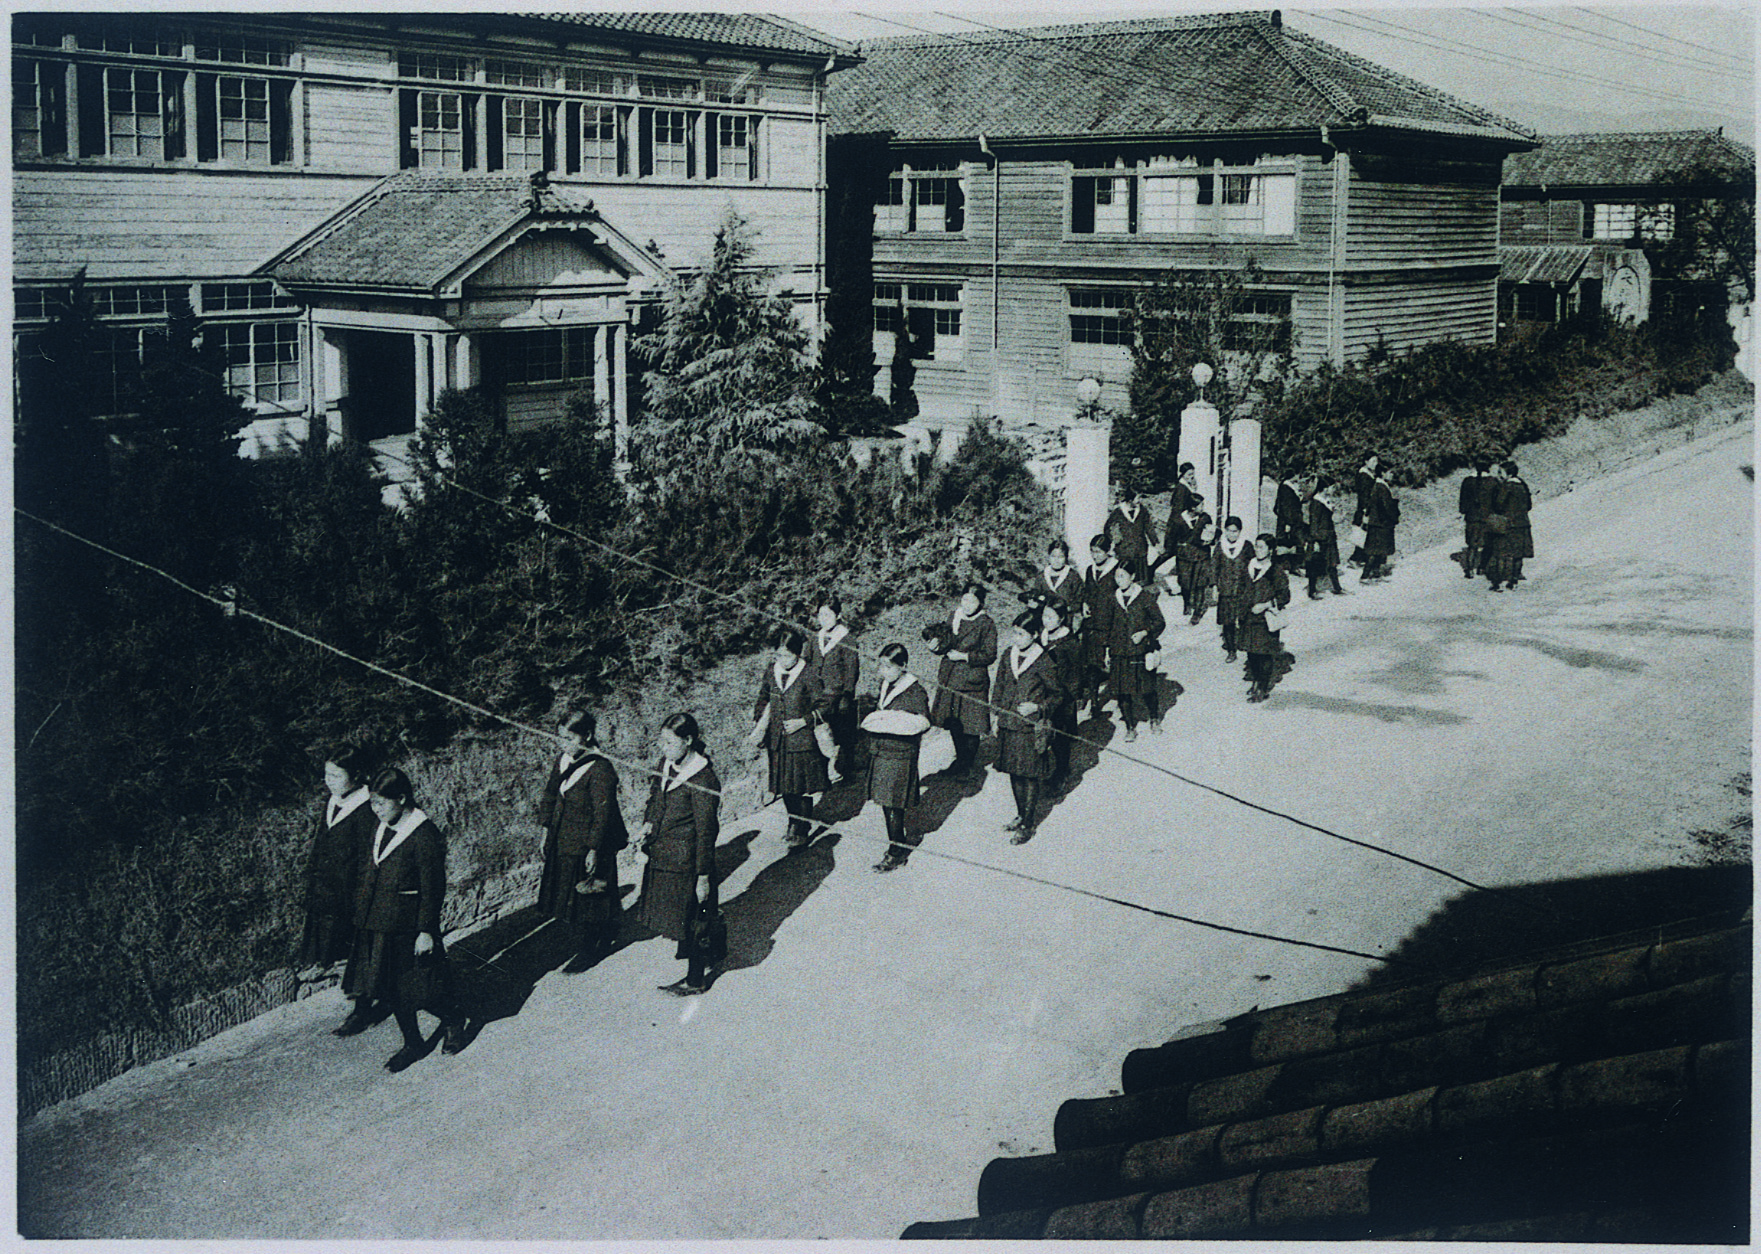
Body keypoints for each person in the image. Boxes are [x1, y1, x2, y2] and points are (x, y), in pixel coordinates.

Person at [343, 767, 465, 1071]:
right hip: (379, 923)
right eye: (372, 803)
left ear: (401, 798)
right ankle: (413, 1042)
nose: (376, 809)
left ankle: (453, 1019)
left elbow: (432, 888)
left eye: (381, 803)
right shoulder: (382, 825)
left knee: (425, 987)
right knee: (391, 988)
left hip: (410, 927)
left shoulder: (423, 835)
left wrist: (426, 930)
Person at [636, 713, 722, 996]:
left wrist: (703, 875)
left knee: (695, 920)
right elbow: (655, 798)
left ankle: (695, 980)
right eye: (661, 741)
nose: (663, 748)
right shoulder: (666, 764)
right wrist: (649, 822)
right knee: (682, 917)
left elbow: (707, 832)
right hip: (666, 857)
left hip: (689, 862)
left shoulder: (704, 778)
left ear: (688, 740)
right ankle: (712, 950)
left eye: (670, 742)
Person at [536, 710, 627, 970]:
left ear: (586, 736)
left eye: (569, 737)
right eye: (560, 737)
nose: (563, 743)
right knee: (575, 895)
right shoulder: (563, 761)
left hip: (588, 843)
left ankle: (593, 947)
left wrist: (593, 848)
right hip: (564, 839)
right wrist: (545, 830)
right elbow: (550, 795)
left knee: (591, 897)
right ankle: (599, 930)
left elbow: (603, 814)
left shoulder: (600, 768)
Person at [304, 745, 378, 1033]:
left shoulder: (368, 808)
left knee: (361, 952)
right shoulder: (333, 801)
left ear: (356, 775)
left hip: (353, 896)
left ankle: (362, 1009)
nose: (329, 781)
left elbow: (368, 859)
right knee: (344, 952)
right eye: (326, 774)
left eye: (336, 775)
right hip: (330, 895)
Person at [749, 625, 829, 849]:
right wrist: (760, 721)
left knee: (800, 787)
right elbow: (763, 698)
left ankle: (802, 829)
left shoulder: (809, 673)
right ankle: (793, 822)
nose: (781, 660)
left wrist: (803, 721)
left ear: (797, 653)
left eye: (786, 655)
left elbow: (824, 705)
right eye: (778, 655)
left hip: (801, 741)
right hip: (778, 741)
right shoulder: (771, 671)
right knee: (785, 786)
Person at [863, 643, 933, 873]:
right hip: (883, 751)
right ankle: (898, 841)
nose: (883, 671)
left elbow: (924, 721)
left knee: (893, 803)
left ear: (903, 666)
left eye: (888, 666)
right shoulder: (886, 685)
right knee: (886, 802)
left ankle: (896, 852)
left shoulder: (915, 691)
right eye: (881, 666)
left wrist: (897, 721)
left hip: (900, 754)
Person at [991, 610, 1059, 843]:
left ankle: (1028, 824)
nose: (1016, 638)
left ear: (1035, 634)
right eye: (1014, 633)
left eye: (1021, 634)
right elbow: (999, 685)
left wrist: (1037, 708)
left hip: (1030, 728)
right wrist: (996, 714)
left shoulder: (1044, 660)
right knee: (1014, 771)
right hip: (1008, 723)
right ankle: (1021, 814)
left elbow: (1057, 695)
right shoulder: (1008, 655)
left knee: (1029, 774)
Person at [930, 582, 998, 777]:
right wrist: (935, 647)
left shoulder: (986, 623)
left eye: (972, 601)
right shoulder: (955, 616)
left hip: (971, 681)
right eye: (964, 599)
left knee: (971, 726)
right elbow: (945, 642)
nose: (967, 605)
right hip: (950, 678)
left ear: (981, 603)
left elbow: (990, 655)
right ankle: (960, 760)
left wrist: (964, 656)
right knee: (954, 723)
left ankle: (966, 764)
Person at [1107, 562, 1166, 741]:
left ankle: (1154, 718)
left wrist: (1144, 632)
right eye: (1116, 576)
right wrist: (1107, 650)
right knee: (1122, 691)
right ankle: (1130, 727)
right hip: (1119, 652)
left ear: (1132, 577)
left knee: (1147, 688)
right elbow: (1106, 626)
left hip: (1140, 651)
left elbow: (1159, 622)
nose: (1119, 580)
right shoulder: (1112, 598)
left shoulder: (1145, 597)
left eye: (1123, 576)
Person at [807, 594, 860, 782]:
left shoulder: (847, 639)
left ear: (838, 615)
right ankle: (823, 772)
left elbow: (852, 671)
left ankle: (846, 771)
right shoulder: (815, 638)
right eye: (820, 615)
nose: (824, 619)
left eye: (828, 615)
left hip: (837, 694)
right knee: (820, 731)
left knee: (843, 733)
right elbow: (807, 662)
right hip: (819, 694)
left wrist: (847, 695)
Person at [1242, 534, 1292, 703]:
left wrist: (1265, 605)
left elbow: (1285, 596)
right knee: (1251, 653)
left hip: (1265, 618)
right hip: (1249, 617)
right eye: (1256, 546)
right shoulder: (1249, 566)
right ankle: (1256, 681)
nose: (1258, 550)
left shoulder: (1275, 571)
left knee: (1263, 654)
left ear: (1270, 550)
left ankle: (1262, 688)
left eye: (1261, 547)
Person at [1079, 535, 1119, 720]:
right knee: (1092, 664)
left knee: (1113, 662)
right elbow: (1087, 592)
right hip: (1092, 625)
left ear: (1108, 551)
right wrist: (1084, 603)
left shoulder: (1117, 569)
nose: (1095, 556)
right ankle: (1094, 702)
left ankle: (1120, 697)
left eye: (1098, 552)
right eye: (1092, 552)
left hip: (1111, 624)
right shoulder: (1090, 570)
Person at [1484, 458, 1533, 591]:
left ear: (1509, 473)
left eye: (1501, 472)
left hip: (1507, 524)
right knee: (1518, 554)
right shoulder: (1523, 485)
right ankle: (1513, 581)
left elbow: (1498, 504)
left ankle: (1498, 582)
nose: (1499, 475)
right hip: (1522, 523)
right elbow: (1529, 505)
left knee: (1501, 553)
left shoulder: (1506, 486)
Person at [1212, 515, 1253, 663]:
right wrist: (1215, 587)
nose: (1232, 534)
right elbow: (1214, 568)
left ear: (1240, 531)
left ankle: (1245, 645)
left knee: (1244, 619)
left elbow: (1253, 565)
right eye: (1229, 531)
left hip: (1243, 589)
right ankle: (1231, 650)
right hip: (1226, 590)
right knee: (1227, 622)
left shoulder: (1246, 546)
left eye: (1235, 531)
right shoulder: (1220, 546)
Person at [1303, 473, 1345, 598]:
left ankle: (1337, 588)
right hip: (1320, 539)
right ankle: (1312, 591)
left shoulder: (1324, 501)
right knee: (1315, 566)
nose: (1333, 490)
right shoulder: (1316, 503)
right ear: (1325, 488)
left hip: (1328, 537)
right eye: (1332, 487)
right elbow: (1314, 524)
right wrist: (1314, 541)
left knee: (1332, 564)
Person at [1106, 484, 1158, 584]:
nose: (1139, 500)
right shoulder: (1118, 512)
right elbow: (1108, 528)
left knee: (1141, 580)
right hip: (1124, 551)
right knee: (1125, 579)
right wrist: (1115, 537)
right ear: (1130, 500)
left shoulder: (1142, 510)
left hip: (1140, 551)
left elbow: (1149, 527)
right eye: (1137, 498)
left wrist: (1155, 543)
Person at [1033, 538, 1085, 633]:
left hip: (1066, 622)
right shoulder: (1042, 576)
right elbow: (1036, 596)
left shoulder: (1072, 576)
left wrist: (1066, 609)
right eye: (1053, 556)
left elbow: (1079, 599)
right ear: (1049, 556)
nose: (1056, 560)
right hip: (1045, 622)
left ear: (1066, 557)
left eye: (1060, 557)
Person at [1174, 510, 1216, 625]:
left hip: (1202, 556)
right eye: (1199, 505)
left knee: (1200, 585)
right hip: (1184, 556)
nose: (1202, 507)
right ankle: (1187, 603)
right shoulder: (1179, 519)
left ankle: (1197, 612)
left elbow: (1211, 532)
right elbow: (1172, 536)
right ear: (1191, 507)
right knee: (1185, 583)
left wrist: (1211, 540)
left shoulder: (1205, 518)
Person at [1360, 463, 1400, 583]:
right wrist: (1394, 516)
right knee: (1374, 551)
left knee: (1379, 551)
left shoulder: (1379, 486)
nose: (1392, 475)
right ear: (1383, 473)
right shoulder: (1381, 487)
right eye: (1390, 472)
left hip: (1378, 523)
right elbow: (1386, 507)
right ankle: (1365, 576)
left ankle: (1376, 574)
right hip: (1380, 523)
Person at [1457, 456, 1493, 578]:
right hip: (1487, 517)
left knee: (1472, 545)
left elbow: (1462, 503)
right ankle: (1482, 568)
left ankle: (1469, 569)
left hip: (1472, 517)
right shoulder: (1493, 482)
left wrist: (1465, 511)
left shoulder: (1467, 481)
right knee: (1488, 544)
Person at [1349, 452, 1381, 565]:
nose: (1375, 464)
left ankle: (1360, 558)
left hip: (1369, 508)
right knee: (1363, 534)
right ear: (1366, 462)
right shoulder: (1364, 476)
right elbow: (1364, 496)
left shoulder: (1369, 474)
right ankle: (1355, 558)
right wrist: (1366, 511)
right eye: (1373, 461)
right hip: (1365, 509)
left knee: (1366, 534)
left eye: (1376, 461)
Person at [1273, 467, 1307, 569]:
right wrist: (1288, 523)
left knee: (1292, 543)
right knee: (1291, 544)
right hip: (1290, 522)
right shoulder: (1286, 489)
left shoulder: (1288, 487)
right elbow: (1285, 508)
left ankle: (1292, 566)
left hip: (1291, 521)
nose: (1299, 478)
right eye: (1298, 475)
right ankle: (1292, 566)